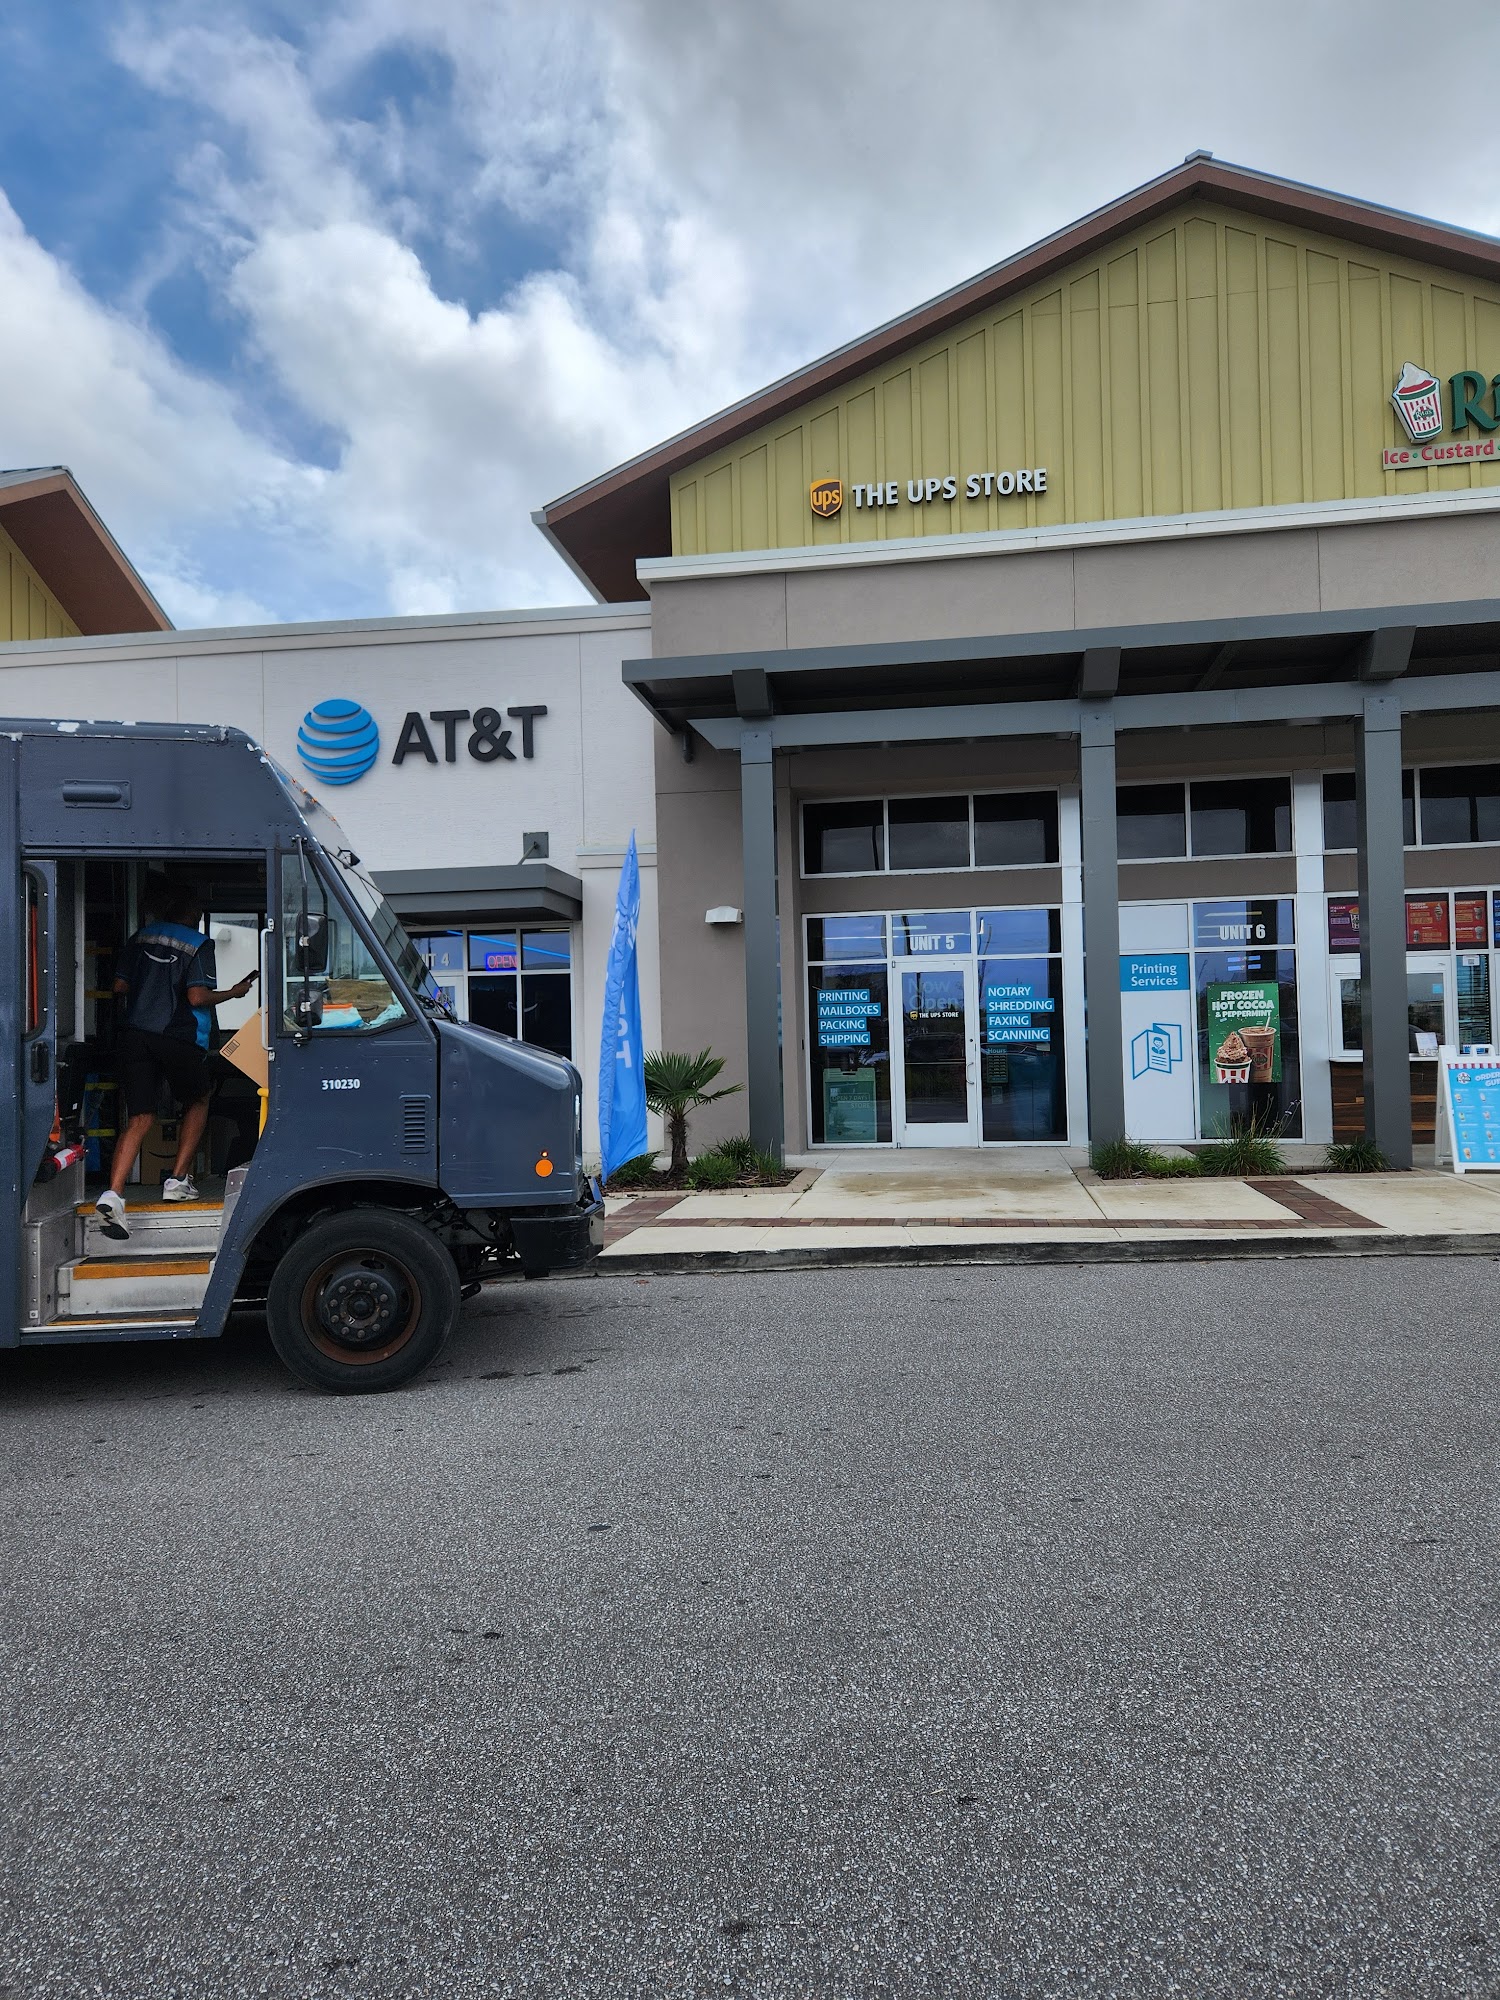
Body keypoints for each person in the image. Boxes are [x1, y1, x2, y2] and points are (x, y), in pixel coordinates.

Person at [94, 884, 256, 1240]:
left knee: (140, 1117)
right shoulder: (198, 943)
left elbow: (120, 987)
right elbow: (196, 997)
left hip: (135, 1034)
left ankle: (113, 1194)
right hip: (179, 1036)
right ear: (192, 912)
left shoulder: (139, 938)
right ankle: (178, 1180)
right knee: (198, 1099)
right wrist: (235, 992)